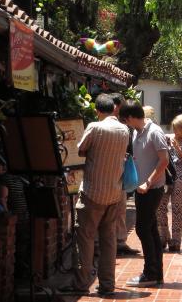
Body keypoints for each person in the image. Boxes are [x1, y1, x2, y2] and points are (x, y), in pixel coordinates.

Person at [60, 94, 130, 296]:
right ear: (114, 109)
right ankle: (107, 284)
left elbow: (81, 149)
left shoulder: (94, 127)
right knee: (108, 239)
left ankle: (82, 283)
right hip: (114, 192)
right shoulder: (124, 130)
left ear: (98, 110)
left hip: (92, 191)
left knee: (85, 237)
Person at [121, 101, 169, 287]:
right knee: (150, 229)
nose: (126, 124)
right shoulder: (136, 132)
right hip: (141, 188)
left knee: (142, 229)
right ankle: (156, 273)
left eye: (126, 120)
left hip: (152, 188)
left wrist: (148, 182)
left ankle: (150, 273)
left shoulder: (154, 132)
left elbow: (163, 161)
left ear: (131, 117)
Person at [156, 114, 182, 252]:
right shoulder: (169, 137)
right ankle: (163, 236)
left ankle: (176, 240)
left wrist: (178, 148)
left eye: (178, 128)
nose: (175, 131)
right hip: (166, 176)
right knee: (160, 206)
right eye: (174, 128)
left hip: (181, 177)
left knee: (178, 209)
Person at [111, 93, 140, 256]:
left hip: (123, 172)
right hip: (111, 173)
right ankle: (109, 243)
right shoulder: (106, 125)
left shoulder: (127, 126)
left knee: (121, 208)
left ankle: (120, 241)